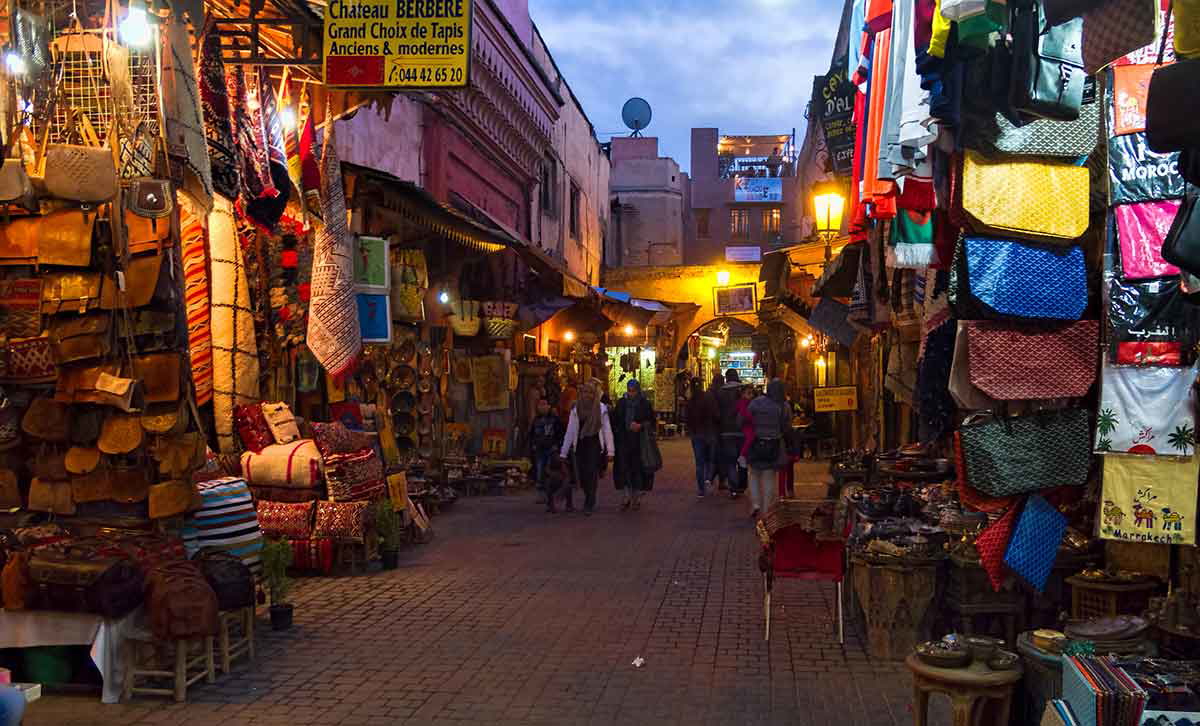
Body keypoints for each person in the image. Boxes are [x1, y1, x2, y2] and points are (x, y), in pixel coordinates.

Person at [559, 381, 614, 516]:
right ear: (581, 393)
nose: (588, 395)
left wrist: (611, 450)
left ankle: (589, 501)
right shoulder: (575, 409)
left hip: (594, 444)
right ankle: (588, 495)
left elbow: (607, 430)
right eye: (585, 392)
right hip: (580, 444)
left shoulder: (601, 409)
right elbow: (570, 430)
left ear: (594, 394)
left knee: (591, 473)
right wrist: (563, 452)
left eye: (590, 392)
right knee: (582, 474)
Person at [744, 379, 793, 519]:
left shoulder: (756, 402)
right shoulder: (784, 405)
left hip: (756, 443)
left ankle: (755, 503)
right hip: (774, 444)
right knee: (769, 476)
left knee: (753, 473)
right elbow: (787, 426)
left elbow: (745, 418)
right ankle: (766, 510)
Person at [613, 379, 656, 510]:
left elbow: (651, 421)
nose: (631, 393)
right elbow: (615, 420)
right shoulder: (621, 403)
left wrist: (640, 426)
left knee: (637, 469)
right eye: (629, 391)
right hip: (623, 441)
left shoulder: (644, 404)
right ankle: (626, 497)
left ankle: (636, 497)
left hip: (639, 442)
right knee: (624, 469)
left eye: (633, 391)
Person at [684, 376, 719, 498]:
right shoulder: (709, 398)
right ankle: (708, 478)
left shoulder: (690, 401)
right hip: (709, 432)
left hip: (697, 434)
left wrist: (690, 429)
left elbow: (686, 418)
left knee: (699, 462)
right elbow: (716, 414)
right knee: (709, 459)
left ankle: (701, 489)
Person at [528, 397, 564, 512]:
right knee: (540, 471)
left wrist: (557, 445)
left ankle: (551, 496)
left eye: (544, 404)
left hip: (551, 450)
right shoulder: (536, 420)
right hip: (539, 450)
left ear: (549, 406)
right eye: (540, 405)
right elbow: (531, 434)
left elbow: (560, 433)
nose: (542, 407)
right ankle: (541, 494)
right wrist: (533, 445)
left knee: (551, 473)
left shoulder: (555, 419)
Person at [716, 369, 747, 498]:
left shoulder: (720, 393)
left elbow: (717, 413)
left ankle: (733, 488)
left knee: (730, 461)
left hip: (726, 431)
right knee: (742, 459)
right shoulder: (743, 391)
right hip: (742, 431)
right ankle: (742, 485)